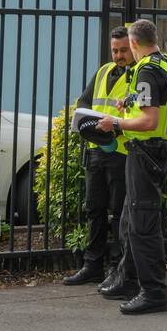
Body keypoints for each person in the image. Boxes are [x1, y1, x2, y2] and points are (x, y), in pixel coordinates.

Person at [95, 18, 167, 315]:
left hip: (147, 152)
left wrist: (116, 122)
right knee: (129, 220)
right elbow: (157, 101)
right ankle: (128, 279)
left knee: (143, 225)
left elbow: (149, 121)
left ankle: (154, 293)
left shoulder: (146, 69)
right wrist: (129, 101)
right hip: (157, 151)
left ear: (133, 44)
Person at [61, 27, 133, 286]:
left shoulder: (138, 76)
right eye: (115, 50)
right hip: (95, 151)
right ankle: (93, 266)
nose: (119, 55)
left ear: (133, 47)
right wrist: (89, 121)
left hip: (122, 153)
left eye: (124, 50)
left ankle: (116, 268)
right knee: (94, 209)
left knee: (118, 213)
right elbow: (83, 102)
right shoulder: (103, 71)